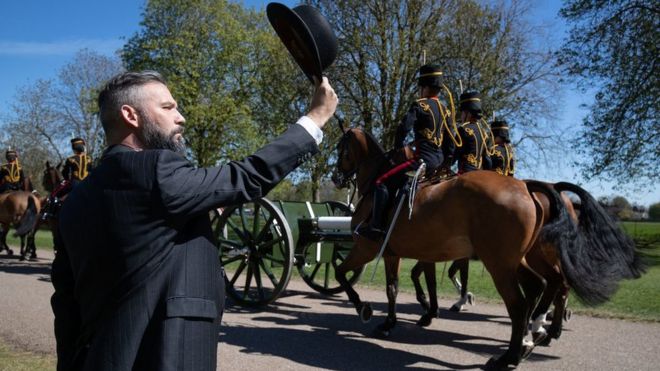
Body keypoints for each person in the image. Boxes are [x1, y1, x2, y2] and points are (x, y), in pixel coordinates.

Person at [51, 71, 337, 371]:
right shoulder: (155, 171)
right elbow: (246, 177)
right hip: (167, 357)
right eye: (167, 107)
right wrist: (314, 119)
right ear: (130, 115)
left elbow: (66, 307)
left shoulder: (75, 200)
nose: (181, 117)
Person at [357, 64, 458, 241]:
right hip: (439, 162)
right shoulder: (446, 111)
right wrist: (446, 162)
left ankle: (377, 227)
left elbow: (403, 128)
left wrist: (398, 147)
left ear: (425, 87)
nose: (420, 91)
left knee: (381, 181)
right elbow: (451, 143)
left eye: (420, 87)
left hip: (421, 161)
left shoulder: (419, 105)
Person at [453, 91, 492, 173]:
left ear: (468, 113)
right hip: (479, 173)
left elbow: (454, 154)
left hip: (465, 172)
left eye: (462, 113)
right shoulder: (484, 133)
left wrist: (444, 164)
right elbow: (487, 160)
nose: (461, 116)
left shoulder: (463, 129)